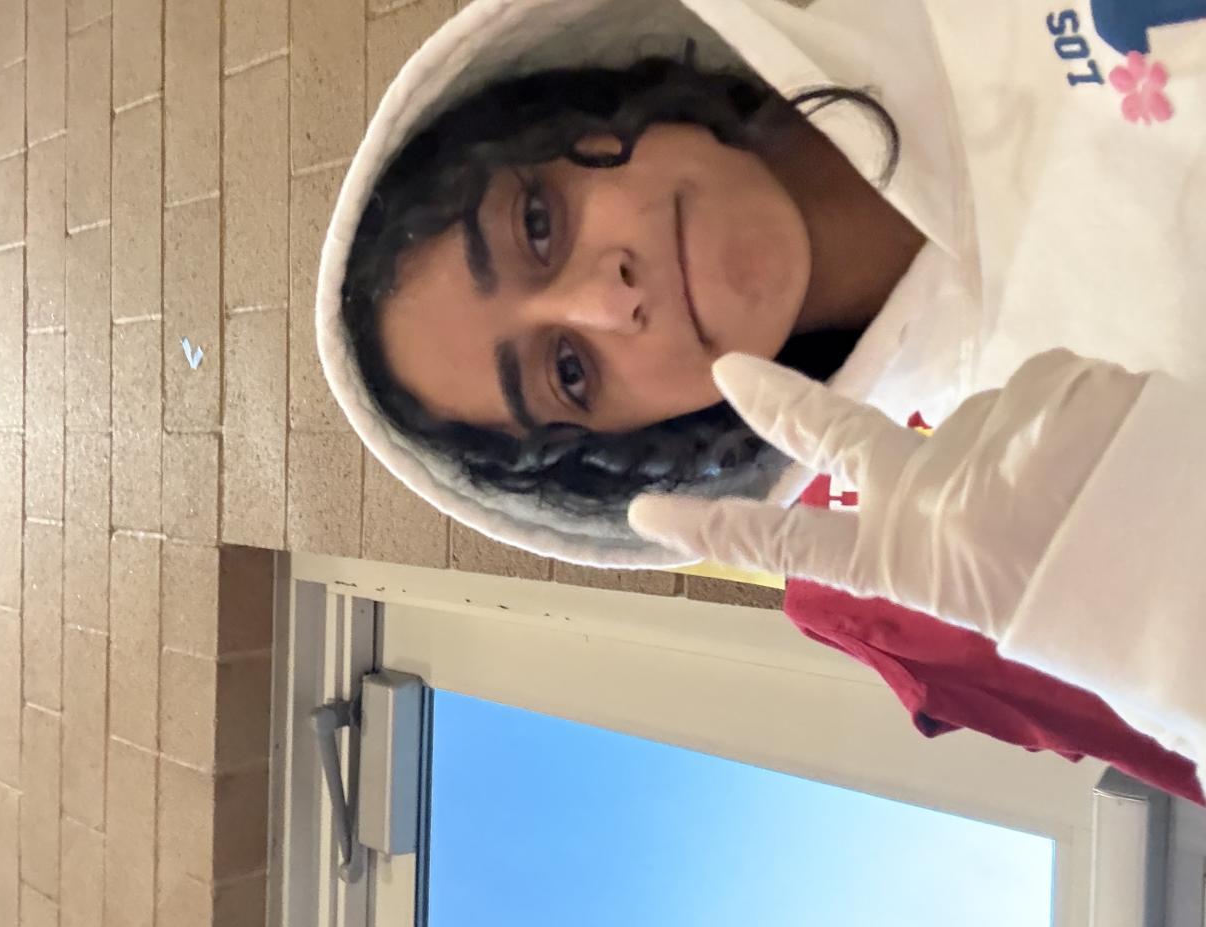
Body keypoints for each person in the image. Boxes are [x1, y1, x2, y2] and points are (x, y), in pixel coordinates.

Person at [316, 0, 1206, 798]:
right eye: (570, 371)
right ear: (647, 435)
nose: (608, 303)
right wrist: (1164, 613)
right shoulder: (1023, 455)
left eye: (538, 225)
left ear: (583, 109)